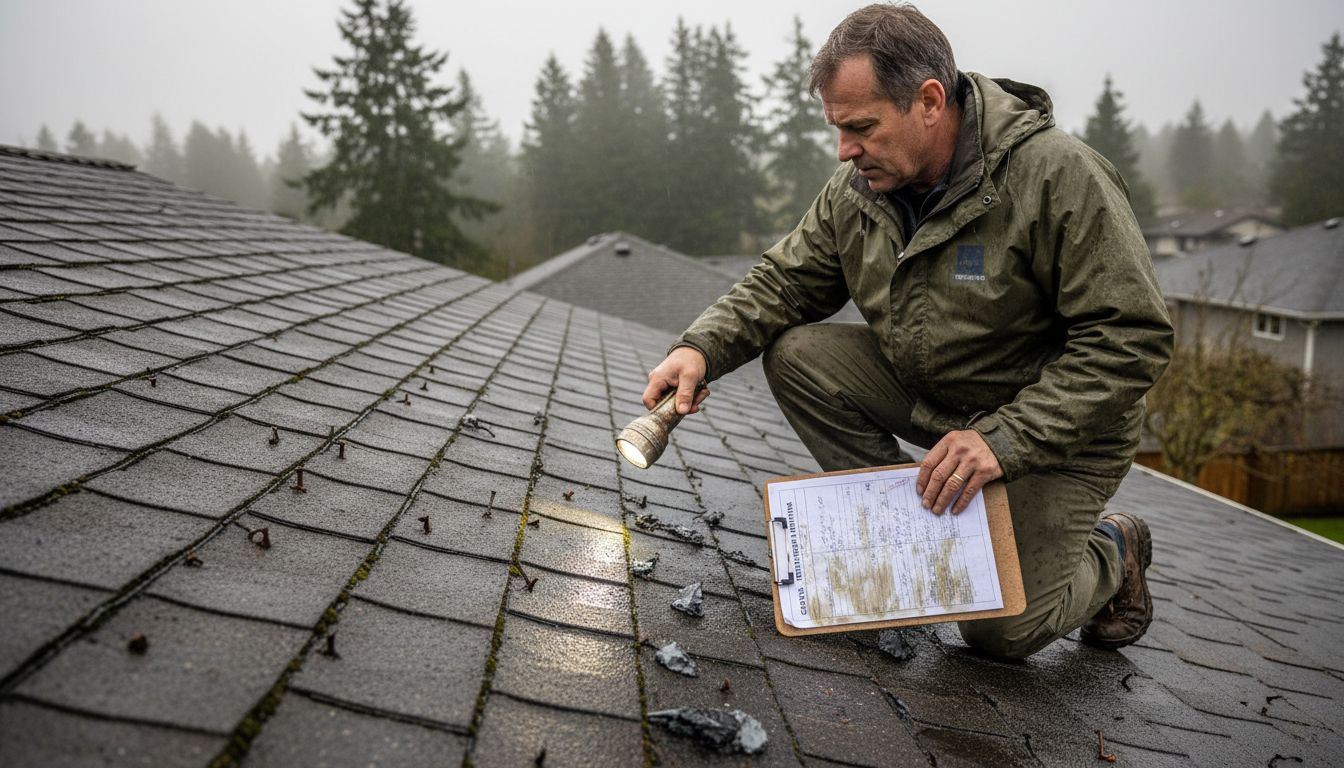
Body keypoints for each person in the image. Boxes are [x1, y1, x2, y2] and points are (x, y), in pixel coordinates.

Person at [641, 3, 1173, 660]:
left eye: (861, 127)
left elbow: (1132, 340)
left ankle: (1114, 551)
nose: (845, 150)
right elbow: (784, 281)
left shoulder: (1059, 176)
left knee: (999, 630)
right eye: (837, 129)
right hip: (940, 398)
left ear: (928, 101)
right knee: (800, 354)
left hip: (1058, 431)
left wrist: (1003, 441)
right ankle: (921, 543)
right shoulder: (856, 189)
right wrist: (699, 349)